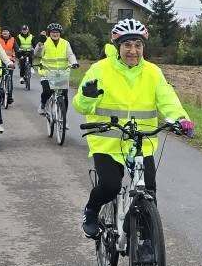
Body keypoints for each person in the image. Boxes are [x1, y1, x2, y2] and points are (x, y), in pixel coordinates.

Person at [73, 18, 195, 251]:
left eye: (138, 45)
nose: (133, 50)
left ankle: (147, 240)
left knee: (148, 190)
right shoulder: (100, 69)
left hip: (140, 142)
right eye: (128, 45)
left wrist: (180, 119)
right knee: (110, 186)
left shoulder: (152, 72)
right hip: (107, 141)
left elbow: (167, 99)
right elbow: (80, 105)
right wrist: (88, 96)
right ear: (118, 46)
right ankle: (91, 210)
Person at [33, 23, 79, 115]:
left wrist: (74, 62)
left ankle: (63, 118)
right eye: (53, 32)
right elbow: (37, 54)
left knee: (64, 95)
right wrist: (40, 43)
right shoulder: (45, 42)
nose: (55, 34)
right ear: (49, 33)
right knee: (47, 91)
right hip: (46, 72)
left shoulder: (65, 43)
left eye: (57, 32)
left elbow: (70, 54)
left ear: (60, 33)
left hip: (60, 73)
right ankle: (43, 104)